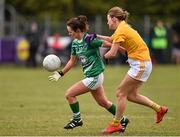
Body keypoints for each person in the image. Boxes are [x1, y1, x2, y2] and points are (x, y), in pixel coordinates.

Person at [48, 15, 129, 130]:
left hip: (94, 77)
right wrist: (60, 73)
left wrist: (122, 49)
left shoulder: (89, 40)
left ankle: (77, 119)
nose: (69, 34)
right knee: (103, 103)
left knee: (69, 94)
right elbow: (72, 61)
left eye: (70, 32)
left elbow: (109, 44)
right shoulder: (75, 43)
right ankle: (123, 119)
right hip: (91, 76)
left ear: (78, 30)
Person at [96, 7, 168, 134]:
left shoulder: (121, 30)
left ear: (114, 18)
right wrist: (96, 37)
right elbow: (111, 40)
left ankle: (116, 123)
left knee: (120, 93)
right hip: (142, 63)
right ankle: (159, 109)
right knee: (131, 95)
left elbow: (112, 53)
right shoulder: (122, 27)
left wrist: (104, 57)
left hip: (140, 64)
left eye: (108, 20)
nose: (107, 23)